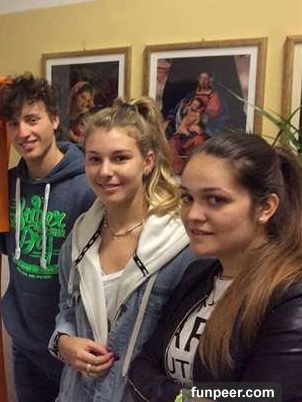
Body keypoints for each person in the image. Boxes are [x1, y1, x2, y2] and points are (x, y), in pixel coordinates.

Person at [128, 132, 302, 402]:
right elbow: (142, 367)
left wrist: (172, 395)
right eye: (187, 198)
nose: (193, 215)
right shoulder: (198, 275)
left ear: (265, 207)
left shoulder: (290, 297)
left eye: (215, 200)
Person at [49, 97, 195, 402]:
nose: (105, 171)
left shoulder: (182, 245)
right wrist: (63, 341)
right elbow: (66, 308)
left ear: (148, 161)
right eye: (94, 159)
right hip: (77, 393)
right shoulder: (79, 237)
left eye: (120, 158)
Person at [0, 72, 96, 401]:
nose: (23, 132)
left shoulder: (88, 186)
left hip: (73, 345)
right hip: (25, 341)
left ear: (54, 120)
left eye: (32, 119)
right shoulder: (7, 185)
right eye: (13, 123)